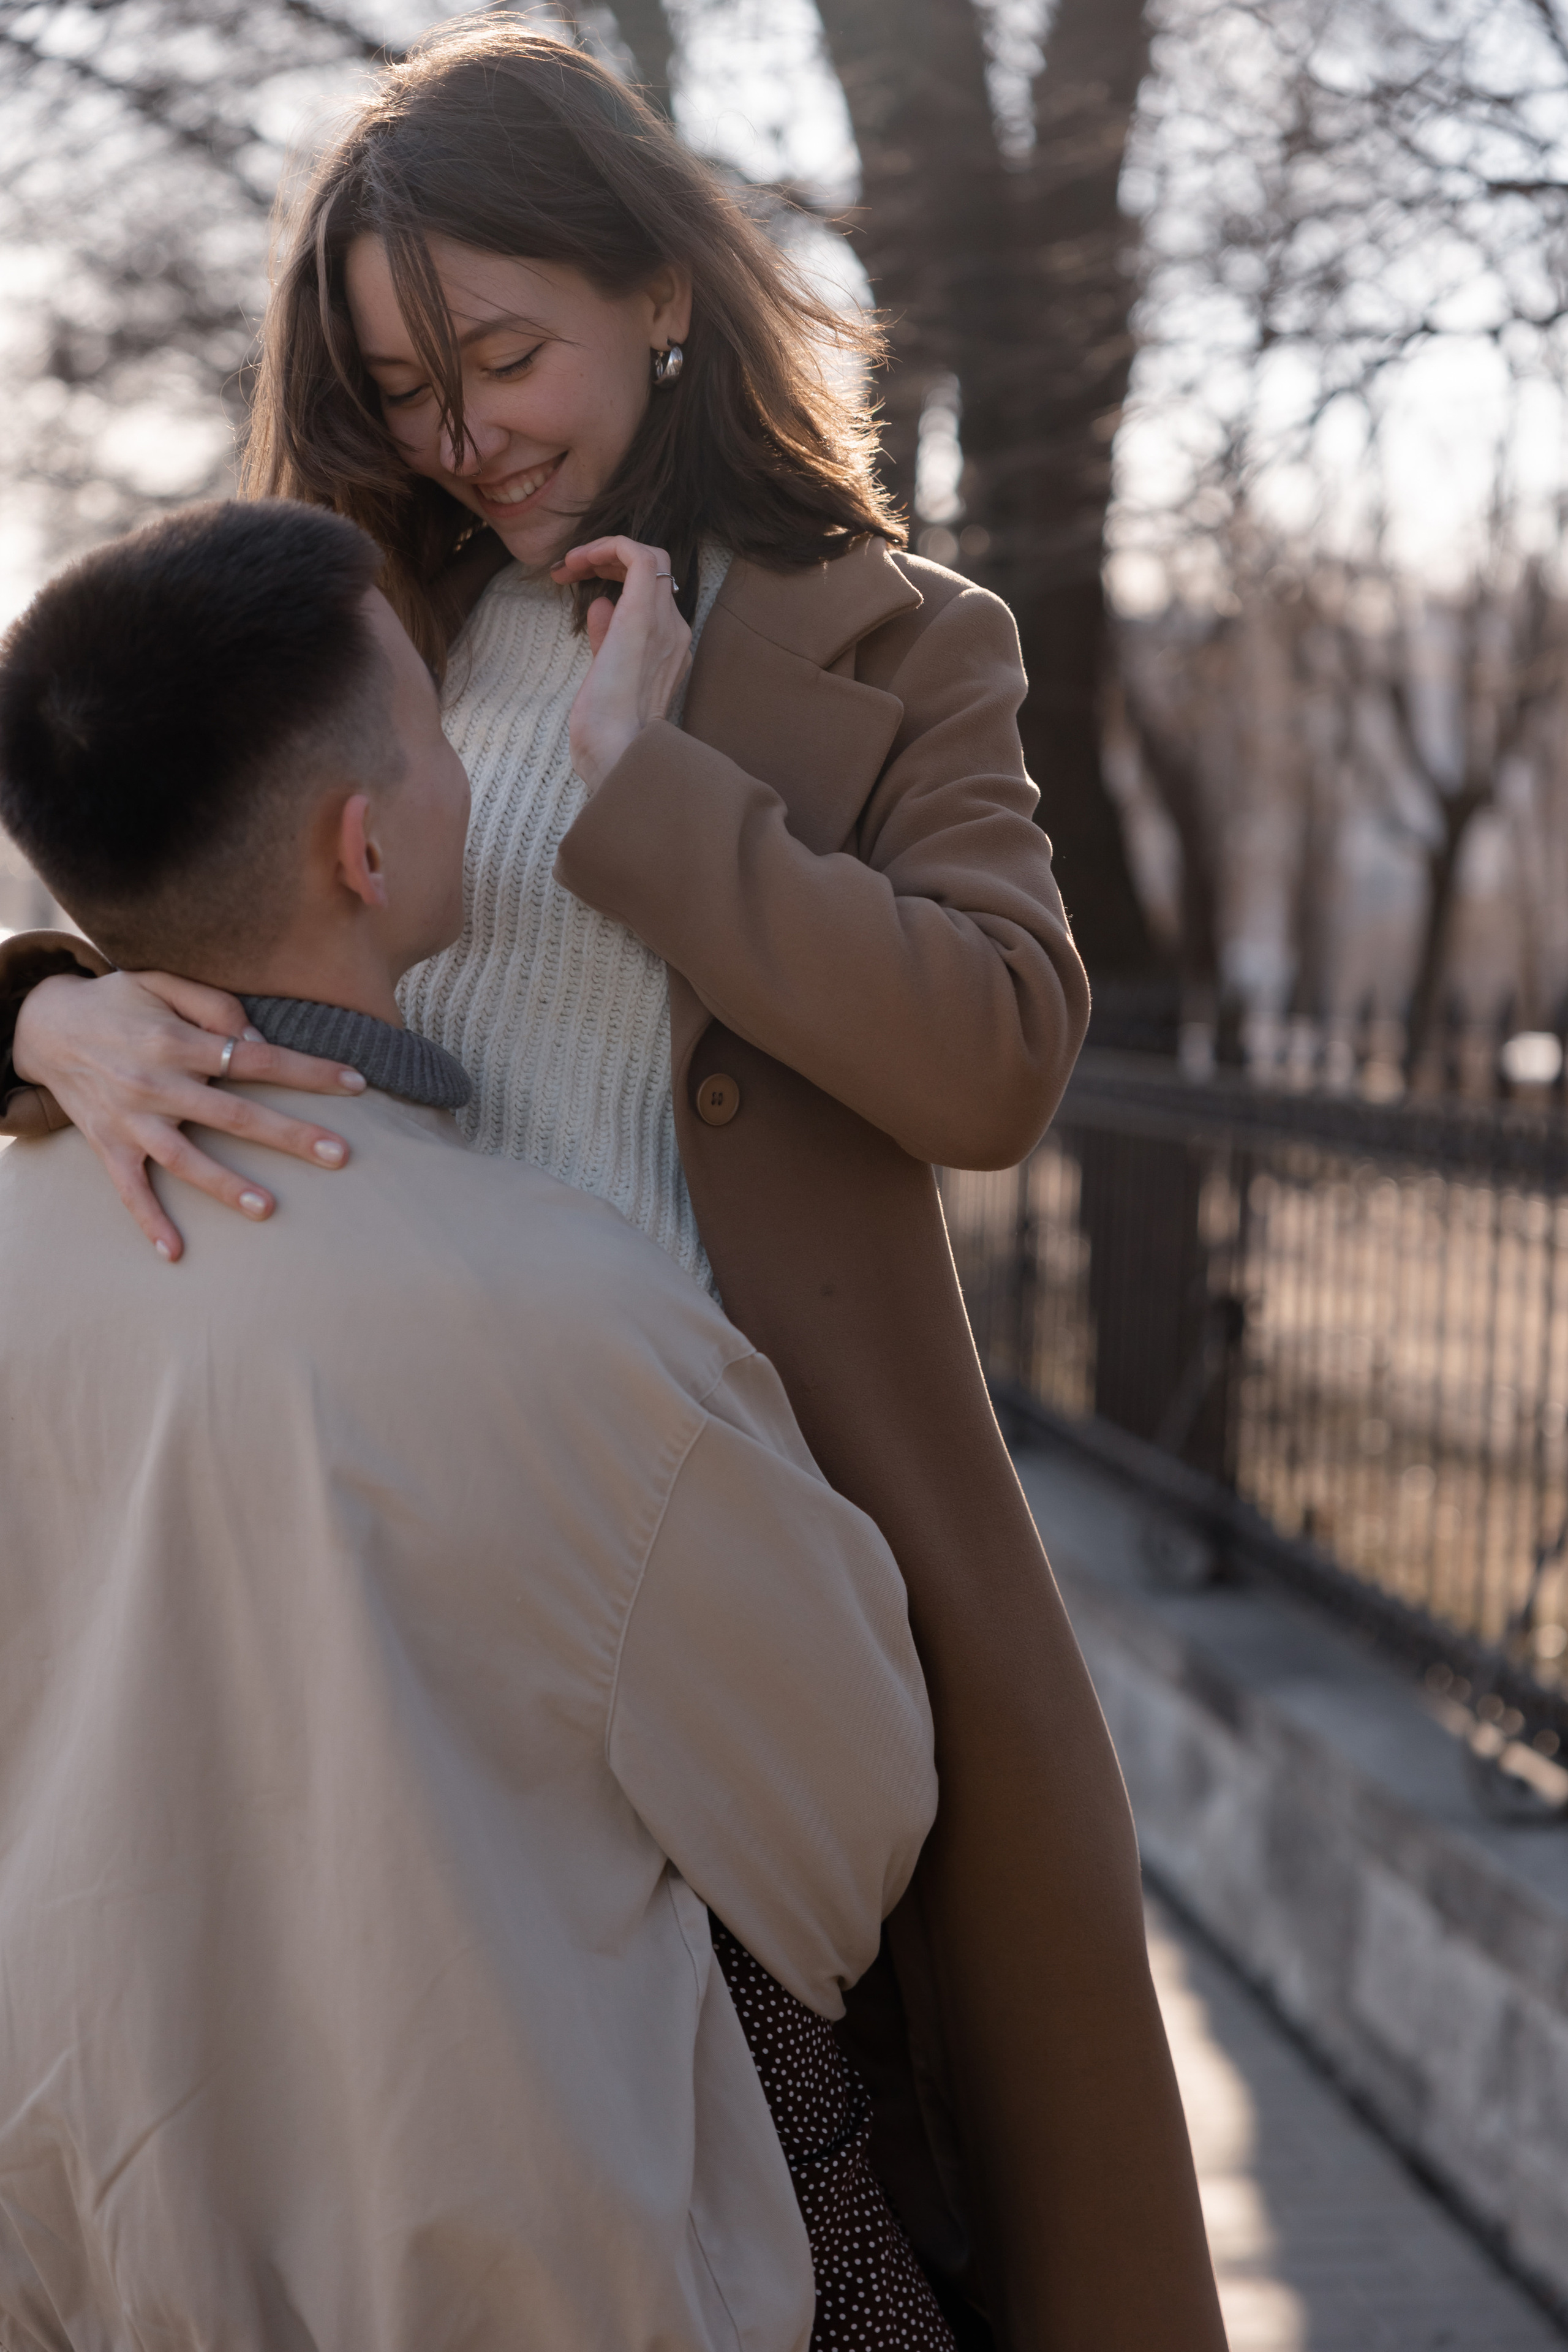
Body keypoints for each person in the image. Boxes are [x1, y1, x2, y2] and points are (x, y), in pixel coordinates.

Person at [0, 25, 1227, 2349]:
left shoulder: (898, 635)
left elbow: (997, 1053)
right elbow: (127, 819)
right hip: (407, 1559)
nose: (462, 430)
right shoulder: (344, 610)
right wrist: (43, 1012)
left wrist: (650, 788)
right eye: (401, 384)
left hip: (755, 1567)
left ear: (662, 290)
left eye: (502, 356)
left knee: (840, 2208)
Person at [0, 496, 943, 2351]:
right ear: (367, 846)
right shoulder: (581, 1320)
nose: (461, 775)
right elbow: (846, 1841)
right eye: (437, 733)